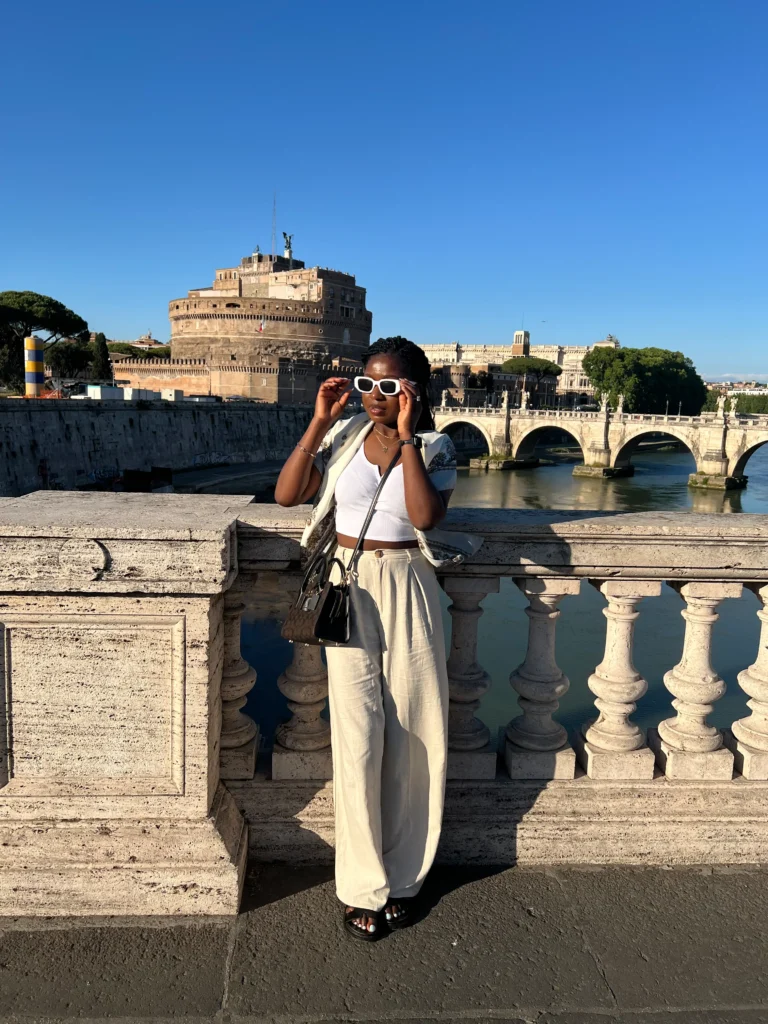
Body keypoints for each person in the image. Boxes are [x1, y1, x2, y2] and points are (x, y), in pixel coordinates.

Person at [275, 338, 482, 941]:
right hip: (347, 584)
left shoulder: (440, 448)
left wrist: (411, 435)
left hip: (407, 586)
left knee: (416, 731)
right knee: (357, 734)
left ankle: (407, 875)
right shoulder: (342, 439)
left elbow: (424, 517)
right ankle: (363, 884)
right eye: (368, 385)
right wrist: (319, 420)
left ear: (415, 391)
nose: (376, 397)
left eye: (389, 387)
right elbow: (289, 494)